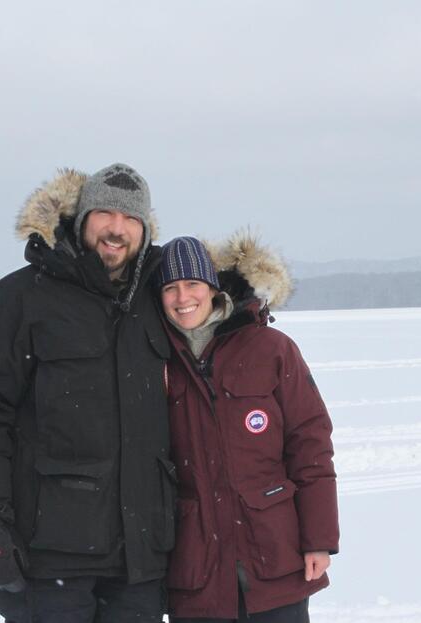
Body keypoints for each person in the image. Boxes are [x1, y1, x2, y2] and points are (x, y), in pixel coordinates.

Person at [0, 164, 175, 623]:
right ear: (81, 217)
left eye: (131, 218)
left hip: (140, 560)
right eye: (105, 213)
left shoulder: (157, 300)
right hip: (50, 558)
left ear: (146, 229)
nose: (117, 228)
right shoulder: (18, 299)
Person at [155, 235, 339, 622]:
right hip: (196, 565)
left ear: (212, 288)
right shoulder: (156, 359)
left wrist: (318, 540)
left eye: (192, 284)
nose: (182, 297)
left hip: (275, 553)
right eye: (170, 287)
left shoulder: (271, 348)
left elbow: (310, 445)